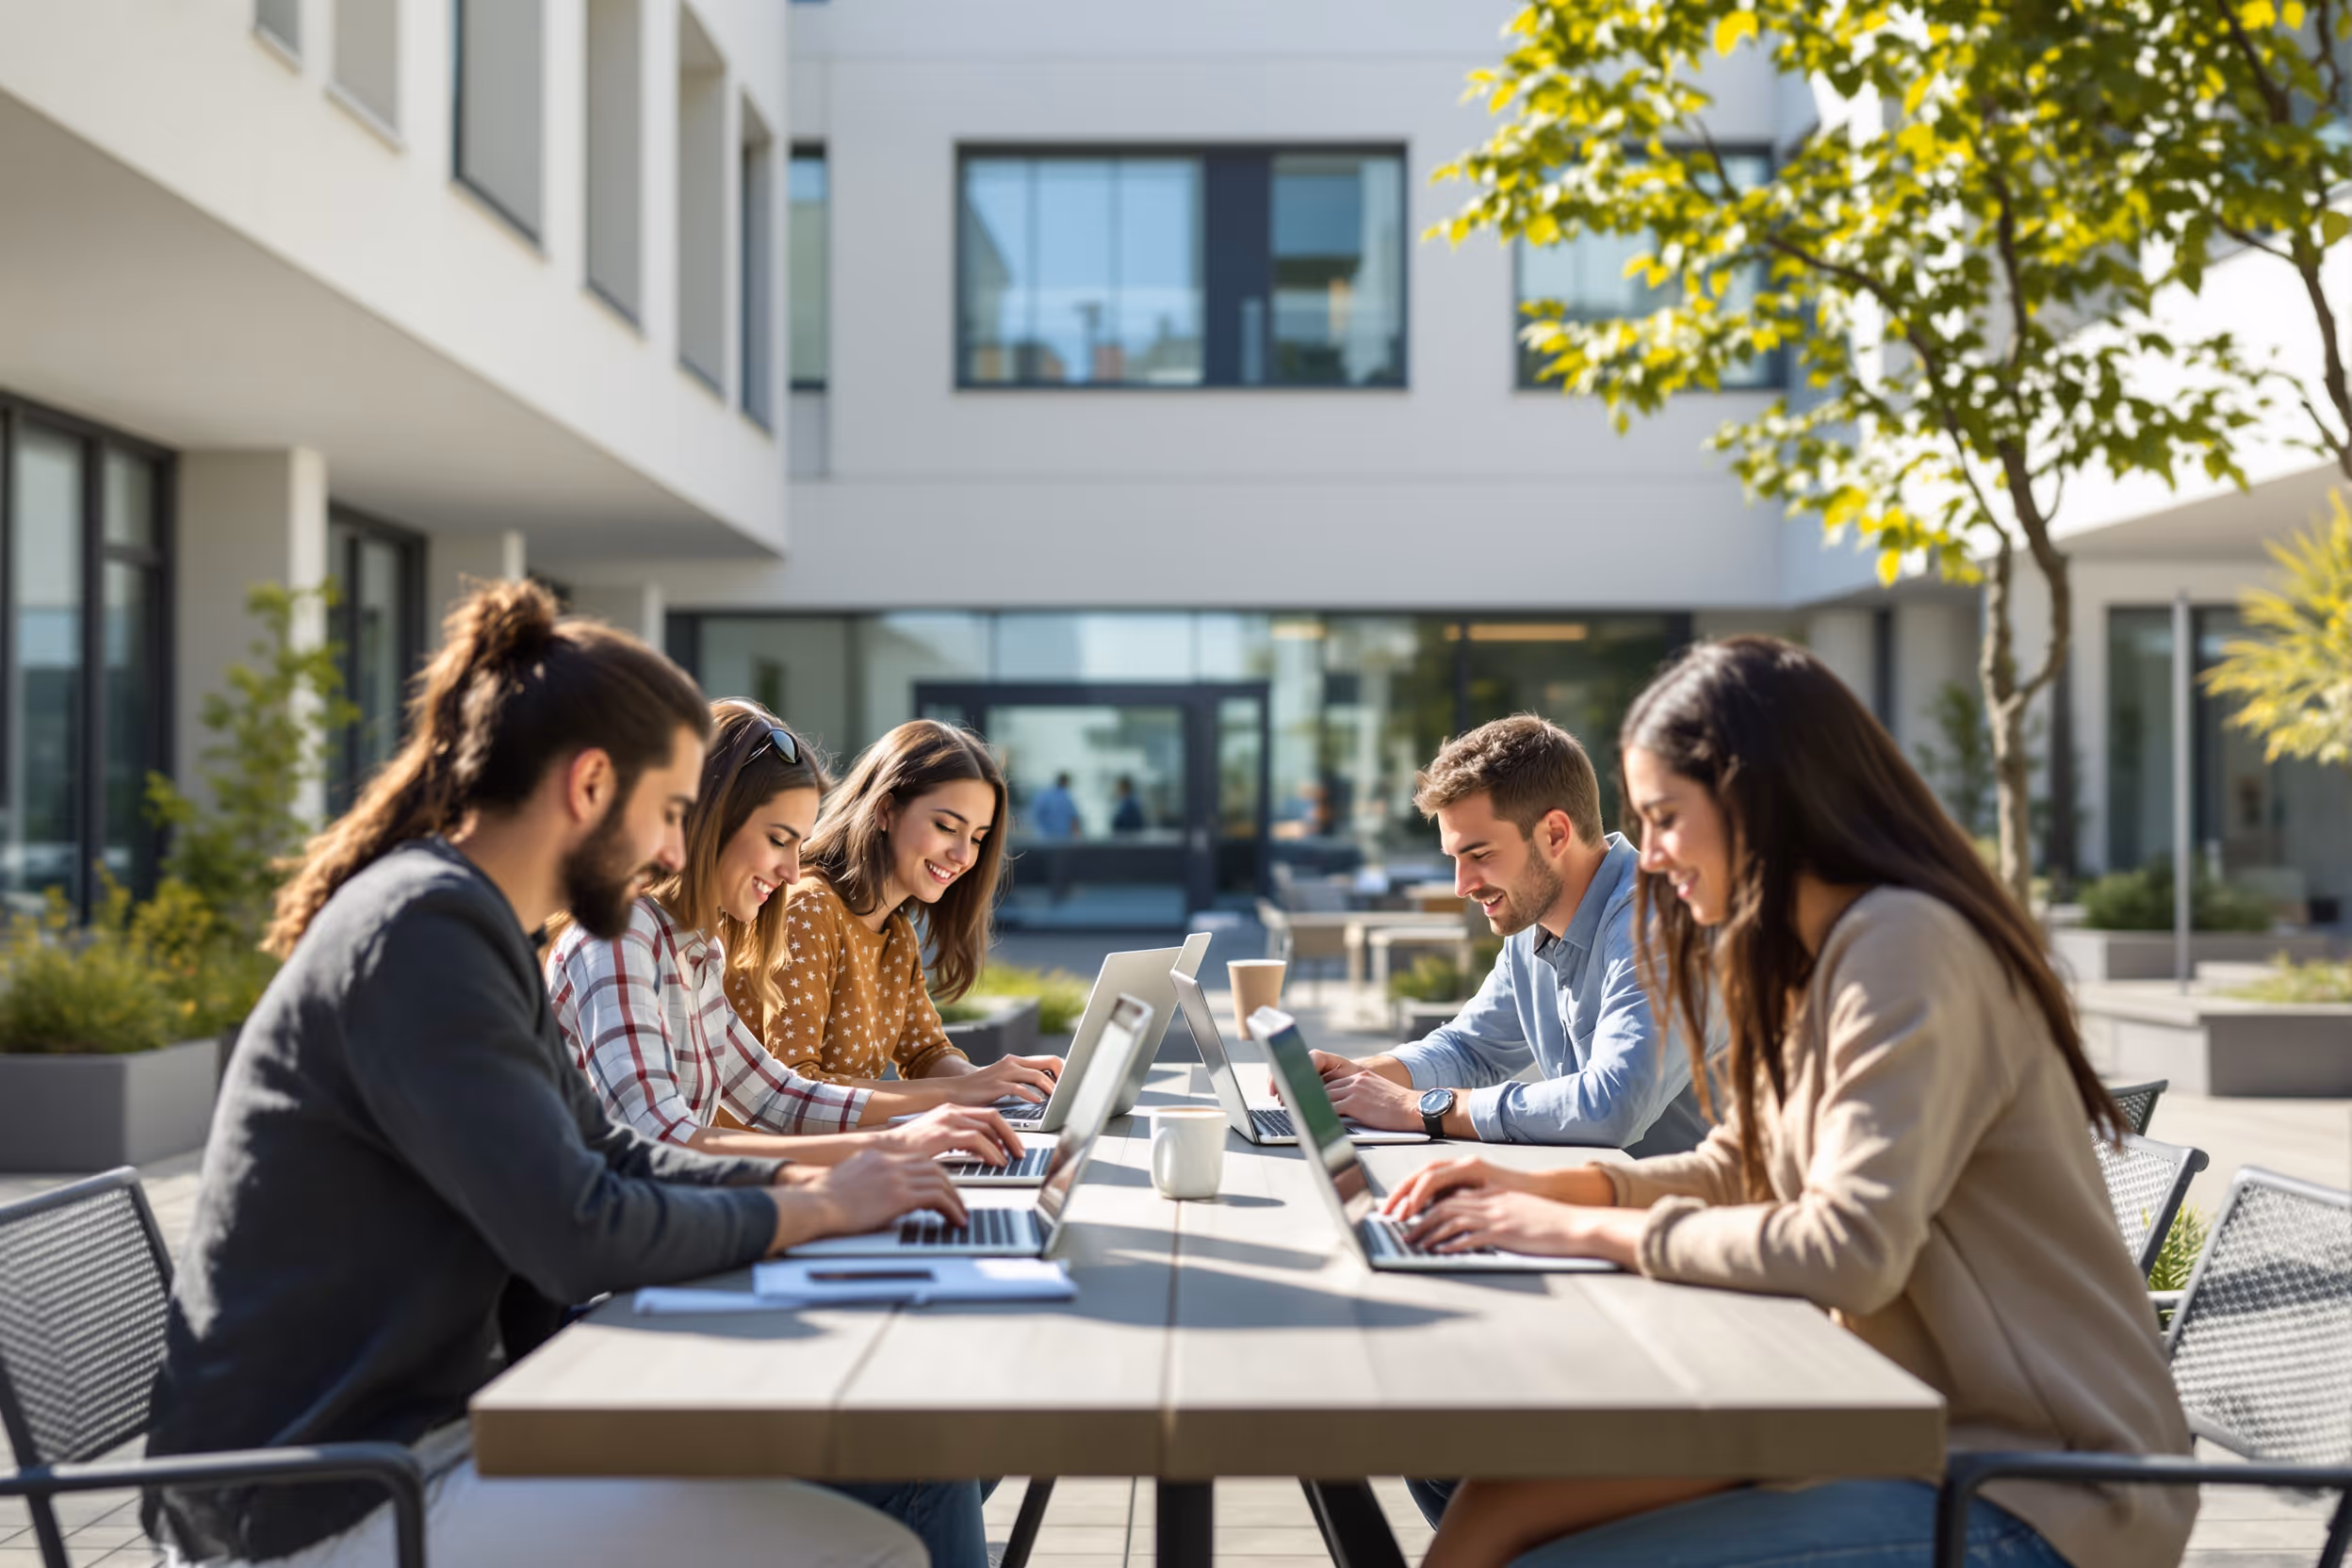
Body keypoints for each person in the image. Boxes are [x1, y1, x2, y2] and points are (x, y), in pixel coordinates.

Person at [142, 583, 956, 1568]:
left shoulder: (473, 928)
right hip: (324, 1500)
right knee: (871, 1545)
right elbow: (576, 1231)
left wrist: (813, 1183)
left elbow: (611, 1151)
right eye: (669, 812)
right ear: (590, 785)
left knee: (905, 1465)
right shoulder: (422, 936)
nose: (674, 850)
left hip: (429, 1440)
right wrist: (819, 1207)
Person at [1384, 637, 2196, 1568]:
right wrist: (1546, 1190)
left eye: (1666, 819)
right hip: (1879, 1420)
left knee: (1537, 1549)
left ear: (1758, 802)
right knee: (1487, 1485)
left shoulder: (1907, 945)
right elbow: (1739, 1166)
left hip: (2035, 1486)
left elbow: (1850, 1249)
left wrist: (1584, 1230)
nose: (1650, 855)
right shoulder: (1805, 953)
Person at [1304, 714, 1710, 1153]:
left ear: (1555, 834)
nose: (1462, 886)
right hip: (1596, 1187)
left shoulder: (1657, 923)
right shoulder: (1532, 921)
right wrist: (1359, 1079)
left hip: (1686, 1196)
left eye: (1480, 855)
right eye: (1454, 859)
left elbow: (1612, 1106)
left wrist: (1418, 1107)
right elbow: (1471, 1050)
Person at [733, 718, 1064, 1097]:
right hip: (763, 1137)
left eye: (977, 838)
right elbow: (798, 1086)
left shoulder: (895, 931)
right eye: (946, 827)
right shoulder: (808, 906)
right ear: (886, 811)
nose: (962, 856)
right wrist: (963, 1090)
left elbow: (925, 1053)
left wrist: (1002, 1084)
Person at [1028, 771, 1081, 839]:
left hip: (1045, 837)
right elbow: (1074, 819)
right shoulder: (1066, 798)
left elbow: (1035, 815)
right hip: (1062, 838)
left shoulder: (1043, 795)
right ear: (1066, 782)